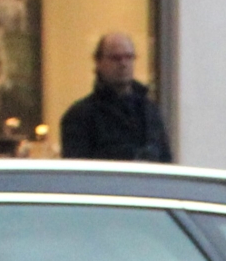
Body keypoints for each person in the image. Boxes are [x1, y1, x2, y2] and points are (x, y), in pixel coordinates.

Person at [58, 32, 171, 163]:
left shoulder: (150, 110)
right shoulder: (80, 116)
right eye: (115, 58)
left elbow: (165, 160)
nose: (123, 64)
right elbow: (80, 173)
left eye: (129, 57)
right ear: (98, 63)